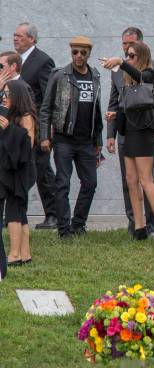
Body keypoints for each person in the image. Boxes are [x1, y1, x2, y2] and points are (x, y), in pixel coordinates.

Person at [106, 27, 154, 237]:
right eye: (125, 49)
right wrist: (112, 125)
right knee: (130, 179)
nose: (127, 53)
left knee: (146, 179)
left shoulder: (150, 71)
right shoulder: (120, 75)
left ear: (142, 51)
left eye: (131, 52)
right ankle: (139, 226)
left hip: (145, 130)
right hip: (127, 130)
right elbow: (117, 103)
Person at [38, 36, 103, 239]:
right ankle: (64, 229)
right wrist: (44, 136)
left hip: (86, 140)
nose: (78, 56)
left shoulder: (95, 76)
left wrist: (98, 140)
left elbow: (97, 111)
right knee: (62, 184)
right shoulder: (60, 75)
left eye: (83, 52)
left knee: (90, 183)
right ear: (71, 52)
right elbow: (46, 107)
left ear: (88, 54)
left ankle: (78, 224)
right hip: (63, 139)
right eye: (75, 51)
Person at [13, 22, 57, 230]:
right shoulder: (14, 61)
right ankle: (14, 213)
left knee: (41, 168)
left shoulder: (43, 61)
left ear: (32, 39)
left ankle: (53, 214)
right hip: (16, 126)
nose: (15, 39)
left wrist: (45, 129)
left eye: (20, 36)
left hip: (37, 126)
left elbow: (47, 97)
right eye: (14, 36)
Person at [1, 80, 36, 266]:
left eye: (7, 94)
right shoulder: (11, 116)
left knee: (14, 210)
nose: (4, 98)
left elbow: (27, 145)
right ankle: (25, 254)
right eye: (3, 94)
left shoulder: (26, 116)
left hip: (22, 170)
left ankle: (14, 255)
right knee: (20, 212)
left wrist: (8, 129)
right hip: (13, 169)